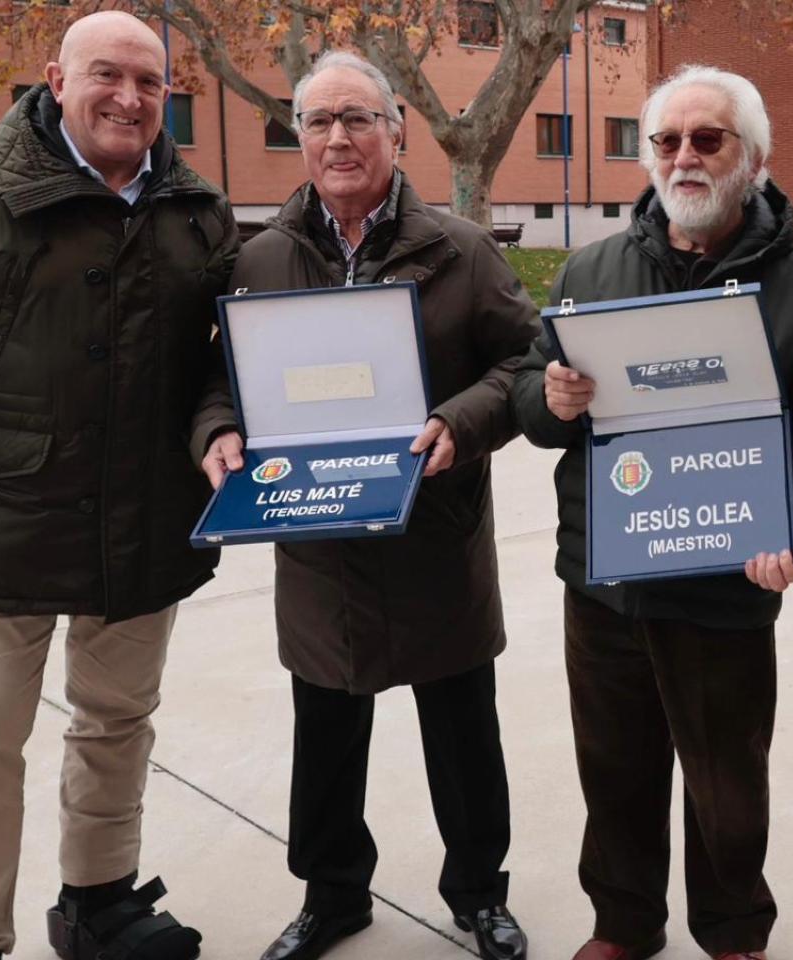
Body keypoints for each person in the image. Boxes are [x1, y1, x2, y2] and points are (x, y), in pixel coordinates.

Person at [0, 11, 238, 960]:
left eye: (150, 83)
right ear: (56, 79)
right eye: (107, 75)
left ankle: (99, 903)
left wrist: (221, 424)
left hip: (145, 518)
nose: (129, 98)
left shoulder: (198, 209)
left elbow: (218, 363)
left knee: (118, 723)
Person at [191, 50, 539, 960]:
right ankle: (333, 893)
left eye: (357, 118)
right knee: (327, 733)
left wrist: (463, 422)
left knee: (463, 730)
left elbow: (526, 364)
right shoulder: (259, 258)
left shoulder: (461, 250)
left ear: (397, 129)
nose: (338, 138)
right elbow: (217, 380)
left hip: (435, 535)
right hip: (317, 547)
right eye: (318, 121)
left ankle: (477, 893)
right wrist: (216, 430)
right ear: (299, 137)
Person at [510, 66, 793, 960]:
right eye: (667, 141)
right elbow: (527, 398)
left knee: (726, 779)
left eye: (709, 139)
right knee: (614, 771)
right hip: (606, 579)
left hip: (726, 581)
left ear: (757, 158)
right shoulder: (592, 270)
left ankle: (733, 928)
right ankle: (623, 925)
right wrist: (551, 398)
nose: (685, 157)